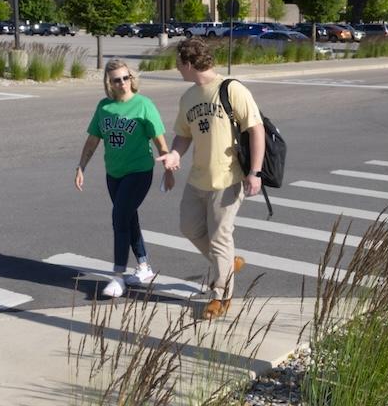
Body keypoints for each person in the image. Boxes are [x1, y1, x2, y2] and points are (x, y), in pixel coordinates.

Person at [157, 38, 264, 319]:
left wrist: (255, 172)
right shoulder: (189, 97)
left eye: (179, 64)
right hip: (197, 179)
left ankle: (221, 296)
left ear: (189, 64)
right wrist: (175, 155)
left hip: (228, 178)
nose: (178, 69)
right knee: (189, 228)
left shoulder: (231, 89)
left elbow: (256, 129)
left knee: (219, 238)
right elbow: (184, 134)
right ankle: (228, 264)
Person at [75, 59, 173, 298]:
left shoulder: (143, 105)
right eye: (116, 80)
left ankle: (118, 276)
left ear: (132, 78)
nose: (122, 84)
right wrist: (81, 166)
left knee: (119, 216)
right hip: (114, 173)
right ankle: (143, 267)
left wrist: (168, 170)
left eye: (125, 78)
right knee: (128, 218)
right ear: (109, 83)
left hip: (139, 171)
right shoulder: (104, 107)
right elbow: (92, 140)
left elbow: (159, 141)